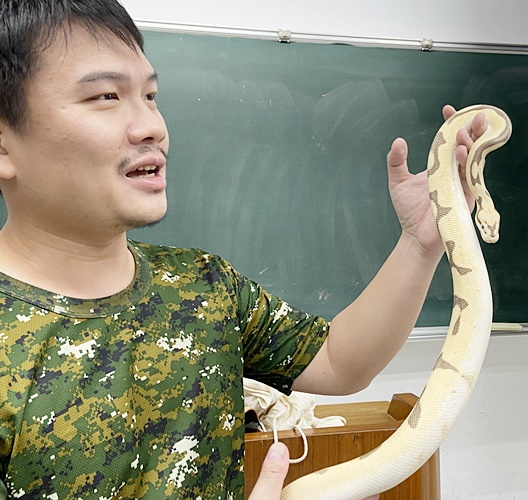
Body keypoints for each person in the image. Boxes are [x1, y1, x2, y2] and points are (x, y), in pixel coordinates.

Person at [0, 1, 486, 499]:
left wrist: (420, 240)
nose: (151, 127)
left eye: (150, 95)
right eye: (106, 96)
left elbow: (342, 362)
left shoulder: (204, 286)